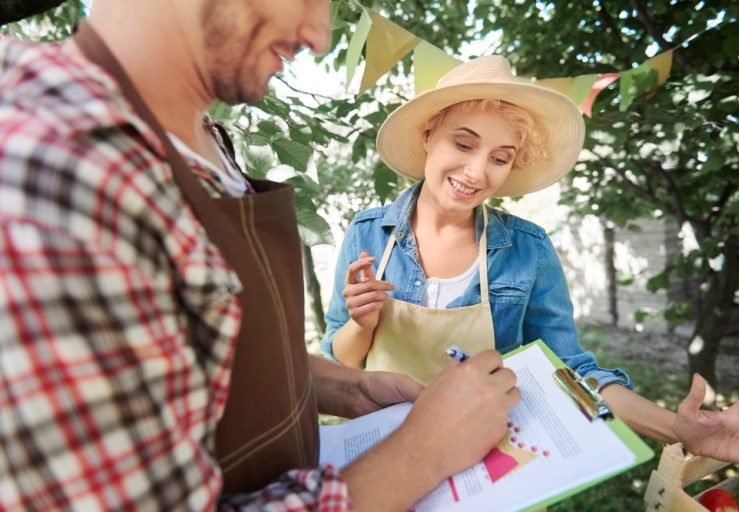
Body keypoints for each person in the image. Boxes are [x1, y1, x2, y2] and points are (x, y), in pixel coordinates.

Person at [0, 1, 522, 511]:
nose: (320, 35)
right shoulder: (54, 175)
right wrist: (422, 452)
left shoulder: (195, 137)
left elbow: (207, 356)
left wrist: (350, 388)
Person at [322, 56, 739, 480]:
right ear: (427, 135)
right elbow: (339, 361)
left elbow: (569, 370)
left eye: (500, 157)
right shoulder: (368, 234)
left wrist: (678, 428)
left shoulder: (527, 249)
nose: (477, 172)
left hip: (484, 461)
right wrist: (362, 324)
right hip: (383, 453)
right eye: (463, 143)